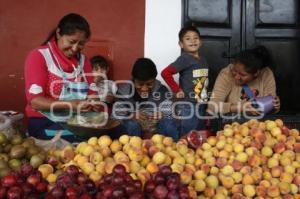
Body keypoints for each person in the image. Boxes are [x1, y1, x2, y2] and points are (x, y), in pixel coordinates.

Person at [24, 13, 98, 141]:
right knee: (80, 139)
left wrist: (93, 101)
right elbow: (35, 102)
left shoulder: (83, 60)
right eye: (72, 41)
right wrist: (69, 105)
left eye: (81, 44)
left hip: (75, 119)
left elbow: (92, 91)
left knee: (113, 131)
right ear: (58, 33)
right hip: (44, 121)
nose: (75, 48)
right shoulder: (39, 56)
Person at [113, 58, 179, 140]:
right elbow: (116, 118)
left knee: (169, 126)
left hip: (156, 130)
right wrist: (131, 116)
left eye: (149, 84)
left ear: (154, 80)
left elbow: (170, 116)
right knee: (132, 126)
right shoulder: (123, 92)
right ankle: (132, 151)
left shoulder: (162, 91)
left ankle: (171, 150)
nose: (144, 89)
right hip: (133, 129)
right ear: (134, 80)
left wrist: (162, 115)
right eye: (140, 84)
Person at [161, 25, 209, 137]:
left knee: (199, 133)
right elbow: (165, 73)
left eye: (195, 38)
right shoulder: (184, 59)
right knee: (188, 134)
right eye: (188, 39)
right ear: (181, 44)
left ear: (200, 42)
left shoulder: (203, 60)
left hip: (201, 102)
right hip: (189, 104)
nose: (192, 41)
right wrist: (177, 89)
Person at [207, 45, 280, 117]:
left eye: (242, 74)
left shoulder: (266, 74)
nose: (236, 76)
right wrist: (240, 108)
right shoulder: (226, 73)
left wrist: (274, 106)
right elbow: (212, 106)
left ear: (256, 73)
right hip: (231, 124)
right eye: (234, 71)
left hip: (258, 124)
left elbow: (270, 105)